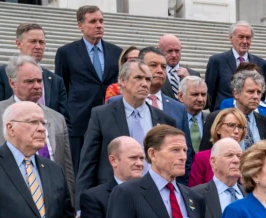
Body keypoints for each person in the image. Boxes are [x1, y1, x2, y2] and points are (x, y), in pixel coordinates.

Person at [0, 55, 75, 206]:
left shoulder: (57, 118)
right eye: (29, 81)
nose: (37, 86)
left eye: (39, 81)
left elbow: (66, 167)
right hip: (11, 203)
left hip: (53, 201)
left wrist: (71, 205)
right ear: (12, 83)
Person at [75, 59, 176, 207]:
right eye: (138, 78)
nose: (144, 83)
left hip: (154, 199)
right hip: (111, 198)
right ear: (122, 81)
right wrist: (80, 208)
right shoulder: (101, 115)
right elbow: (88, 162)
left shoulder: (165, 120)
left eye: (148, 79)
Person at [107, 47, 195, 184]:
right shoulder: (110, 107)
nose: (159, 70)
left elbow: (186, 155)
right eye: (153, 65)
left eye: (164, 67)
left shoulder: (177, 109)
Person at [54, 5, 123, 173]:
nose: (99, 25)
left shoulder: (116, 52)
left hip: (110, 119)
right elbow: (61, 89)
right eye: (93, 21)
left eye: (101, 21)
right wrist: (68, 119)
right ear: (80, 25)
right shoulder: (66, 52)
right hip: (79, 123)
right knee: (81, 170)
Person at [0, 23, 68, 120]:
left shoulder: (56, 81)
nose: (38, 46)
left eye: (41, 42)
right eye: (33, 41)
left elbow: (63, 119)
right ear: (18, 43)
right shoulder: (1, 74)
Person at [206, 21, 266, 108]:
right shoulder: (217, 61)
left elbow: (262, 94)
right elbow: (210, 94)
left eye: (248, 38)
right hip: (224, 114)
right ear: (231, 38)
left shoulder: (262, 63)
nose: (245, 41)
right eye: (241, 37)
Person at [189, 108, 246, 187]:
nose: (236, 131)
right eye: (231, 125)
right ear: (218, 129)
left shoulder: (247, 158)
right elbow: (194, 192)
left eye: (240, 127)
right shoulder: (202, 157)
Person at [158, 34, 201, 100]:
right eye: (170, 51)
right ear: (160, 51)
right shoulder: (155, 73)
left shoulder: (193, 74)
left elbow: (207, 102)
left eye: (177, 51)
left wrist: (189, 80)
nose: (174, 55)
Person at [178, 76, 208, 156]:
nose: (200, 99)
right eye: (195, 94)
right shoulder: (174, 121)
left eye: (203, 94)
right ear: (181, 96)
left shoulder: (211, 120)